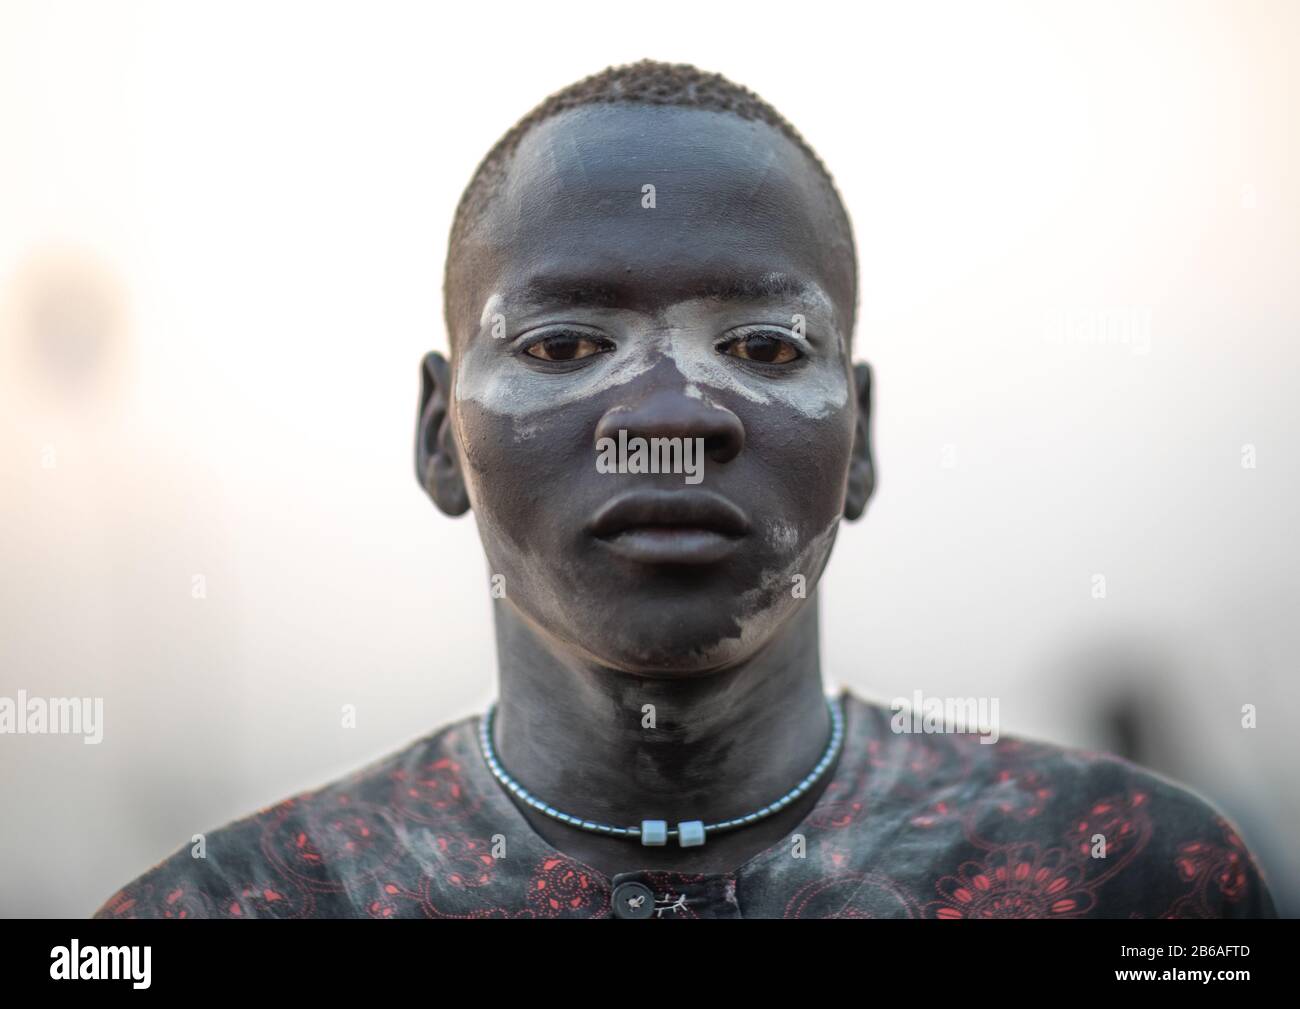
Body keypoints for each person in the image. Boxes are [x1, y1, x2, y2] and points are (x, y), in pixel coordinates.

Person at [93, 59, 1276, 919]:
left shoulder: (1135, 878)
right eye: (563, 346)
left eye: (762, 350)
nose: (668, 416)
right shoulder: (226, 909)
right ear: (437, 437)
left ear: (857, 440)